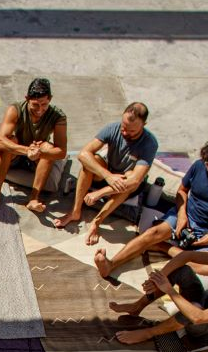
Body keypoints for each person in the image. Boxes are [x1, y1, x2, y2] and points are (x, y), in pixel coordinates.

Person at [95, 137, 208, 280]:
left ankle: (163, 247)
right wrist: (182, 214)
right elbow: (182, 191)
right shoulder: (198, 167)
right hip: (186, 215)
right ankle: (111, 264)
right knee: (151, 233)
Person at [108, 241, 208, 346]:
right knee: (182, 270)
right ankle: (137, 307)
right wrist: (158, 279)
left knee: (193, 308)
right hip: (205, 303)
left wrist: (169, 290)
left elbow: (198, 317)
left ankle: (148, 333)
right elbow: (186, 256)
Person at [53, 102, 158, 245]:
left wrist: (100, 193)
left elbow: (135, 180)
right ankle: (75, 211)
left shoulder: (149, 143)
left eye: (131, 131)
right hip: (109, 173)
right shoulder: (112, 128)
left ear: (143, 125)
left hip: (127, 183)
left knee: (131, 178)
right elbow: (83, 153)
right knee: (90, 162)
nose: (125, 133)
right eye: (123, 127)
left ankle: (97, 221)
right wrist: (108, 176)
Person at [0, 77, 67, 212]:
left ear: (50, 99)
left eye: (44, 104)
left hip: (38, 155)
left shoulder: (58, 116)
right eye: (35, 105)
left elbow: (61, 151)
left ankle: (34, 198)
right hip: (18, 152)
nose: (40, 109)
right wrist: (27, 150)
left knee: (49, 148)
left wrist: (39, 152)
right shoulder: (15, 109)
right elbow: (0, 140)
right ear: (27, 98)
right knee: (9, 143)